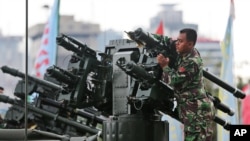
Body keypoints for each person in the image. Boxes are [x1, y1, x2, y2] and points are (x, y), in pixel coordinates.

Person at [157, 28, 215, 141]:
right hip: (191, 110)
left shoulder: (192, 62)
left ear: (190, 44)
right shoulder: (185, 50)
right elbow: (167, 41)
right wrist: (143, 36)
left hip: (197, 112)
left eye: (180, 41)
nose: (177, 43)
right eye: (177, 40)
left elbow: (173, 80)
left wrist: (164, 66)